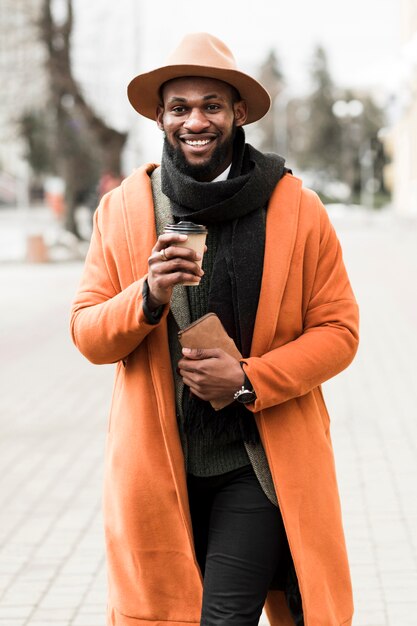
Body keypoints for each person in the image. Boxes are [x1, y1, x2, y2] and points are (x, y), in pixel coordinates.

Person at [70, 32, 359, 626]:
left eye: (211, 106)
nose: (194, 121)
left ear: (239, 113)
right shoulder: (124, 209)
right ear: (160, 116)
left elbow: (339, 330)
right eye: (179, 107)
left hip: (255, 465)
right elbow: (88, 335)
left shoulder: (296, 207)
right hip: (157, 474)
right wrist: (147, 295)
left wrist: (249, 380)